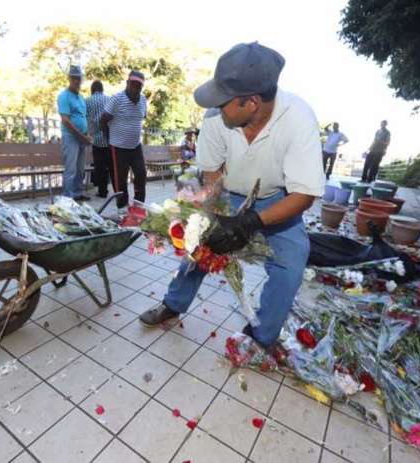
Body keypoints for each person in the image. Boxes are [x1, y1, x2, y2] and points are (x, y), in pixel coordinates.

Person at [137, 42, 325, 349]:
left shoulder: (299, 118)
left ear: (250, 102)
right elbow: (211, 173)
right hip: (228, 193)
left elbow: (304, 195)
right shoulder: (215, 118)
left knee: (292, 261)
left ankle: (262, 335)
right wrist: (213, 215)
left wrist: (250, 222)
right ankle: (173, 303)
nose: (217, 107)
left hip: (277, 201)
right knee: (199, 244)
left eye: (224, 101)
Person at [100, 70, 148, 215]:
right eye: (133, 84)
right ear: (127, 83)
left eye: (138, 86)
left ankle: (138, 207)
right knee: (120, 179)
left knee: (141, 174)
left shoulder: (144, 100)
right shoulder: (116, 99)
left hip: (135, 146)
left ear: (142, 87)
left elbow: (140, 119)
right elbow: (103, 120)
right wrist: (110, 140)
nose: (135, 88)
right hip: (118, 146)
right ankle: (122, 207)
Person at [57, 64, 92, 201]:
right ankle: (67, 197)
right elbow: (65, 120)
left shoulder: (82, 98)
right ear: (69, 79)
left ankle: (77, 192)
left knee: (80, 169)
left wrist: (86, 134)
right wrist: (82, 136)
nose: (77, 81)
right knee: (70, 169)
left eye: (79, 78)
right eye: (74, 78)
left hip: (82, 138)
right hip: (71, 137)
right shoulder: (64, 96)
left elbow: (84, 117)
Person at [86, 80, 112, 198]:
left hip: (96, 139)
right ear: (102, 89)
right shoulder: (109, 99)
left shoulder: (88, 101)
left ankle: (102, 191)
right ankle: (117, 190)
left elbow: (88, 119)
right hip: (109, 138)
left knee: (99, 167)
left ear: (92, 90)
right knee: (111, 166)